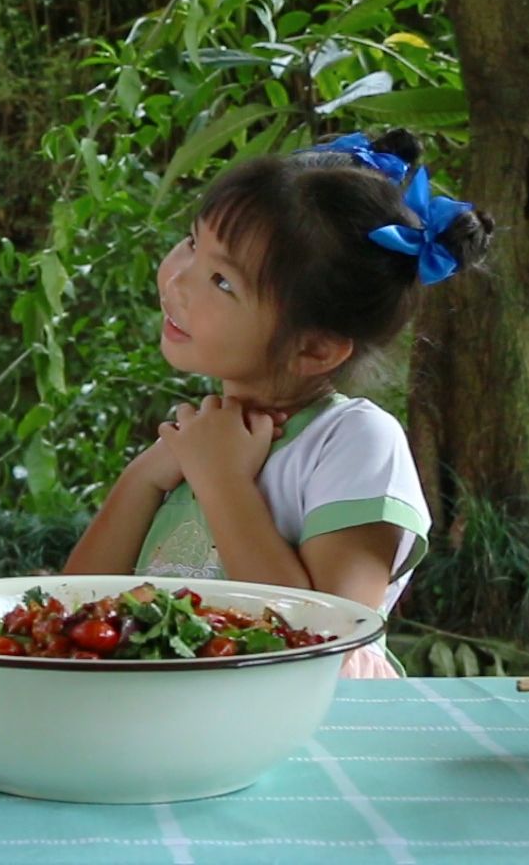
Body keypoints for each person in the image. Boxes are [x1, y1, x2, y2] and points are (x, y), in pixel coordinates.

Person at [63, 129, 494, 676]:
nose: (178, 281)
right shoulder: (202, 435)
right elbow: (72, 610)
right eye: (193, 244)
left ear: (313, 347)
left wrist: (222, 481)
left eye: (222, 282)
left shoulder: (352, 441)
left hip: (312, 745)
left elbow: (323, 645)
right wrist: (148, 475)